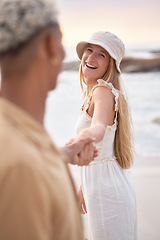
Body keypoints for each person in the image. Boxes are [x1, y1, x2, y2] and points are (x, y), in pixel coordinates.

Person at [0, 0, 98, 239]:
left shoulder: (16, 134)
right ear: (51, 45)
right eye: (62, 40)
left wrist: (61, 154)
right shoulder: (22, 169)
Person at [74, 31, 137, 240]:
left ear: (110, 64)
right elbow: (100, 152)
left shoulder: (103, 92)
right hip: (100, 185)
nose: (90, 57)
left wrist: (85, 137)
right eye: (89, 50)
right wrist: (84, 186)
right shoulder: (90, 92)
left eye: (101, 54)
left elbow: (99, 127)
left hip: (107, 191)